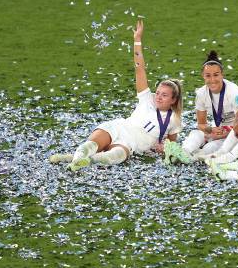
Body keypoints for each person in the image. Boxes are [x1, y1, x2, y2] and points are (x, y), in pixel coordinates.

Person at [49, 20, 183, 171]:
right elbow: (140, 70)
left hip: (130, 144)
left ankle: (71, 159)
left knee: (111, 157)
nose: (158, 96)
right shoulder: (147, 98)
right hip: (118, 128)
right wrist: (137, 41)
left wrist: (163, 148)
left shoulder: (174, 120)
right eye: (158, 92)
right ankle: (76, 160)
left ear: (173, 99)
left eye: (164, 95)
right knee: (90, 146)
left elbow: (171, 146)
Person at [164, 50, 238, 164]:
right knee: (196, 134)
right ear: (203, 76)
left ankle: (194, 157)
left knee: (211, 146)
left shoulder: (235, 93)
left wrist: (223, 134)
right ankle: (183, 152)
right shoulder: (201, 93)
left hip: (235, 133)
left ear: (222, 74)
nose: (212, 80)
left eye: (216, 75)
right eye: (208, 75)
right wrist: (210, 130)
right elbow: (201, 124)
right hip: (217, 128)